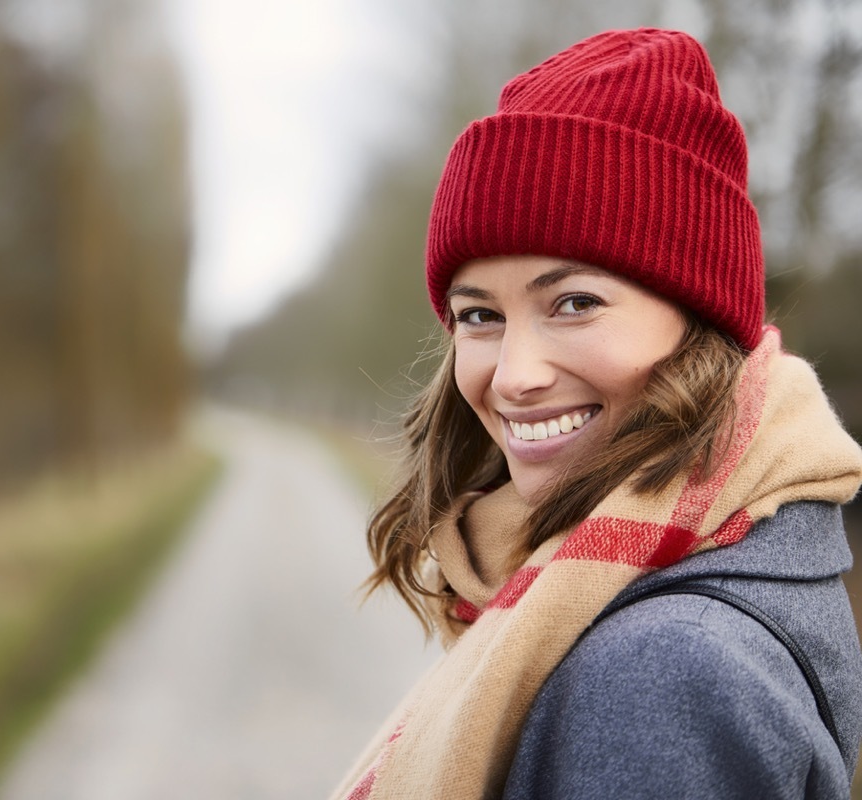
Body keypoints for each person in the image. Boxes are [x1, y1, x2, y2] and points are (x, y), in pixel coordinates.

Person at [330, 28, 862, 800]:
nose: (514, 376)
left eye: (574, 304)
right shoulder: (742, 560)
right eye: (479, 315)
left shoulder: (668, 675)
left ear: (698, 320)